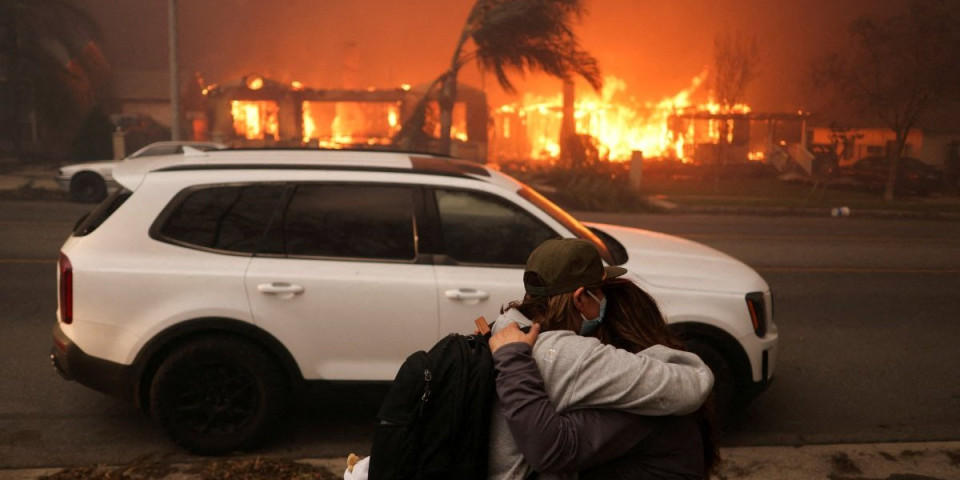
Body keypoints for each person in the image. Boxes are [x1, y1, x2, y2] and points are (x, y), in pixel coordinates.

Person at [485, 238, 715, 480]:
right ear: (580, 298)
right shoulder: (571, 355)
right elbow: (693, 385)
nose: (603, 299)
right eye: (600, 291)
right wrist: (640, 359)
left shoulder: (504, 329)